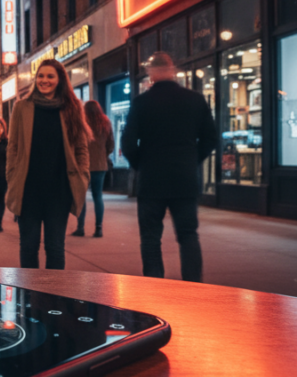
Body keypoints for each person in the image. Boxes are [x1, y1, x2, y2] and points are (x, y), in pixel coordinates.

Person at [122, 51, 216, 282]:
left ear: (151, 73)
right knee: (187, 235)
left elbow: (128, 142)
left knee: (151, 237)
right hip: (184, 178)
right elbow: (210, 138)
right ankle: (193, 285)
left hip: (151, 179)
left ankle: (155, 285)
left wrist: (140, 165)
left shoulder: (141, 103)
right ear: (172, 70)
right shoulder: (195, 99)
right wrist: (192, 160)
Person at [6, 59, 91, 270]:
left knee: (55, 248)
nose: (44, 80)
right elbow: (13, 146)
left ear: (60, 79)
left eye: (50, 76)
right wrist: (12, 176)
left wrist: (83, 176)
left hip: (59, 191)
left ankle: (54, 299)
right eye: (41, 76)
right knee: (28, 247)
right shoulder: (21, 107)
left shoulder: (71, 107)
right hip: (28, 191)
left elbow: (81, 148)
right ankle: (28, 299)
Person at [72, 101, 116, 238]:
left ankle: (80, 228)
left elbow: (74, 143)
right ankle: (98, 229)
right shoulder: (105, 123)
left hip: (83, 165)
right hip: (100, 165)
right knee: (98, 196)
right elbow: (111, 144)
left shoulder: (81, 123)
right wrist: (103, 155)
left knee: (81, 196)